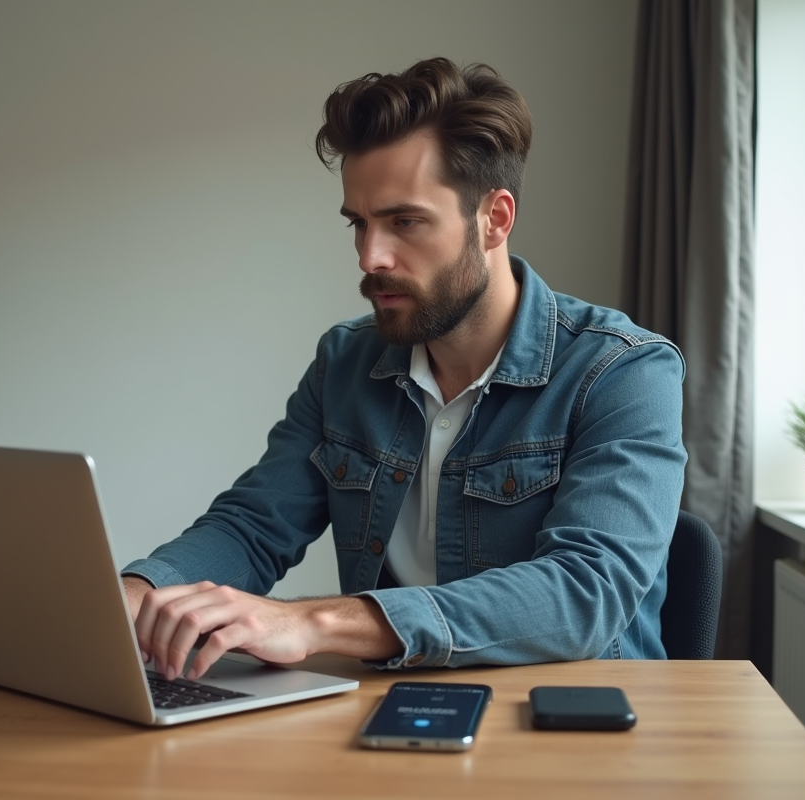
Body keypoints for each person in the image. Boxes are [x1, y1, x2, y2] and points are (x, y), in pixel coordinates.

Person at [121, 57, 686, 682]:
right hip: (391, 708)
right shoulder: (345, 362)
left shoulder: (624, 371)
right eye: (359, 224)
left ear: (494, 219)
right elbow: (254, 526)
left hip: (568, 726)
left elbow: (586, 594)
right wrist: (139, 593)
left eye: (404, 221)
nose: (371, 256)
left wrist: (313, 623)